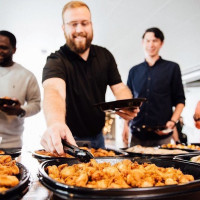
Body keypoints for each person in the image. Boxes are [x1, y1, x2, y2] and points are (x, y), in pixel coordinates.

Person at [41, 1, 139, 154]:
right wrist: (55, 123)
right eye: (73, 24)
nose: (79, 29)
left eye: (84, 23)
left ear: (91, 25)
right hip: (69, 140)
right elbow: (54, 91)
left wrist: (128, 104)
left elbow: (119, 87)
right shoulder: (56, 60)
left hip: (99, 138)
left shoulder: (105, 55)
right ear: (63, 28)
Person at [122, 27, 185, 147]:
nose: (151, 44)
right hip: (137, 134)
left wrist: (173, 121)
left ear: (161, 43)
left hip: (162, 135)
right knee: (134, 165)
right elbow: (128, 102)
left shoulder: (172, 68)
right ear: (142, 43)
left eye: (155, 41)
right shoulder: (134, 71)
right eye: (148, 41)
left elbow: (180, 100)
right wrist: (125, 125)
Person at [0, 30, 41, 148]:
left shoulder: (26, 76)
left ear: (14, 50)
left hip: (11, 144)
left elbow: (36, 104)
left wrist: (20, 110)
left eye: (3, 47)